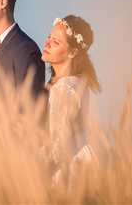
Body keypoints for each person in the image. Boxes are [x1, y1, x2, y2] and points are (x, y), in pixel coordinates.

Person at [41, 14, 101, 192]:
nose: (47, 43)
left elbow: (59, 146)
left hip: (64, 177)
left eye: (56, 42)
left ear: (73, 52)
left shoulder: (64, 88)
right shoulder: (78, 82)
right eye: (49, 38)